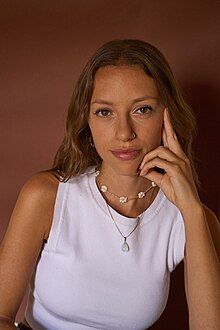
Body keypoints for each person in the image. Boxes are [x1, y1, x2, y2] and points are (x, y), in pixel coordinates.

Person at [0, 39, 219, 330]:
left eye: (142, 110)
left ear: (168, 116)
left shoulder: (193, 219)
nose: (124, 132)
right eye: (105, 112)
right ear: (86, 121)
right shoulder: (46, 196)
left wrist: (191, 208)